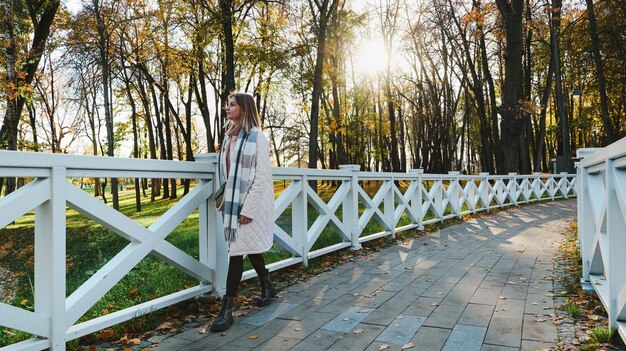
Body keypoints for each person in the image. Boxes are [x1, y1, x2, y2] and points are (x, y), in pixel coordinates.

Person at [211, 93, 277, 332]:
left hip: (251, 204)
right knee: (247, 247)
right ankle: (267, 285)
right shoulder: (229, 139)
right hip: (232, 204)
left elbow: (262, 176)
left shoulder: (257, 137)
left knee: (237, 252)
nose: (227, 108)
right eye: (227, 104)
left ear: (243, 108)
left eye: (232, 105)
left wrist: (248, 208)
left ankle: (227, 310)